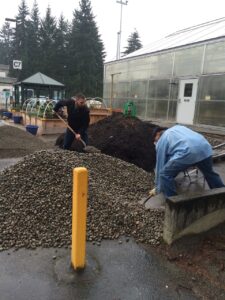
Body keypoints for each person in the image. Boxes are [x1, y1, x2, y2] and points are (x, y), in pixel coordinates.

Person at [149, 125, 225, 198]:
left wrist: (158, 186)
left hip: (188, 152)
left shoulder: (162, 140)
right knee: (210, 174)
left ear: (158, 134)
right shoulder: (178, 127)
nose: (155, 141)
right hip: (205, 148)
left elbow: (160, 164)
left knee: (164, 174)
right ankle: (221, 194)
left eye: (155, 139)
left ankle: (173, 202)